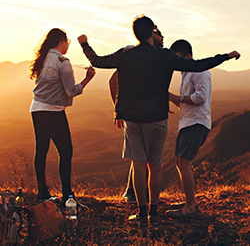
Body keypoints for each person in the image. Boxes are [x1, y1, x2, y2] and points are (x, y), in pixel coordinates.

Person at [77, 15, 240, 227]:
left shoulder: (126, 55)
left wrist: (84, 44)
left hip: (134, 119)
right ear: (152, 33)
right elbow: (199, 65)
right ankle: (154, 213)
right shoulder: (164, 56)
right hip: (158, 118)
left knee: (138, 165)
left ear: (136, 33)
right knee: (156, 166)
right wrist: (226, 56)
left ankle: (142, 214)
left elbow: (98, 61)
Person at [29, 28, 96, 206]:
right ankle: (68, 196)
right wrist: (87, 79)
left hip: (36, 108)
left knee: (41, 150)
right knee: (66, 152)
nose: (68, 45)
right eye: (67, 42)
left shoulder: (43, 58)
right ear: (61, 40)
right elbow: (71, 91)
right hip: (53, 110)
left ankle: (42, 193)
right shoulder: (62, 61)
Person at [108, 25, 164, 204]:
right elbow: (113, 79)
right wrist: (118, 108)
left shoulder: (154, 57)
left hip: (148, 112)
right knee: (139, 157)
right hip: (135, 113)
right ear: (151, 35)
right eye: (159, 35)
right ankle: (132, 193)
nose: (163, 38)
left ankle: (136, 195)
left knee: (142, 156)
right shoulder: (133, 54)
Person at [166, 39, 215, 218]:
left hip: (196, 123)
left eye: (177, 58)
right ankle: (190, 201)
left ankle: (189, 209)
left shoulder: (199, 70)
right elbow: (187, 102)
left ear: (187, 56)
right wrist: (172, 99)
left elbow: (200, 98)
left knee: (183, 163)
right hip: (188, 122)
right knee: (180, 162)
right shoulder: (186, 73)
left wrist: (174, 97)